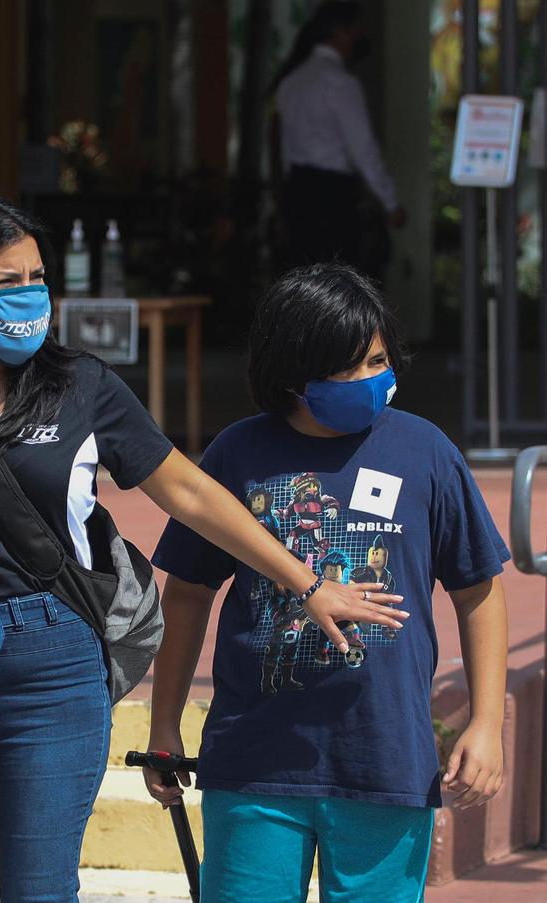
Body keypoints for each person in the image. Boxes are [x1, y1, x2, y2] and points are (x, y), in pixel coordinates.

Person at [0, 197, 403, 901]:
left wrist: (306, 581)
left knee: (43, 889)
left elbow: (188, 491)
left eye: (37, 277)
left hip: (52, 669)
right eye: (6, 283)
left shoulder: (81, 386)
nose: (30, 296)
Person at [145, 264, 510, 902]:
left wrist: (486, 724)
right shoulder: (236, 454)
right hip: (254, 764)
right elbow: (188, 593)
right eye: (348, 368)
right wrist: (164, 723)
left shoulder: (426, 452)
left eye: (377, 360)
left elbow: (479, 591)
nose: (371, 380)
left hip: (386, 763)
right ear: (293, 373)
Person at [272, 1, 406, 270]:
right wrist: (390, 203)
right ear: (340, 32)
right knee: (337, 287)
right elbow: (363, 149)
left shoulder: (290, 82)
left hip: (298, 191)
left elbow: (285, 148)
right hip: (331, 197)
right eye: (355, 28)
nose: (358, 35)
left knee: (303, 283)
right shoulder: (340, 83)